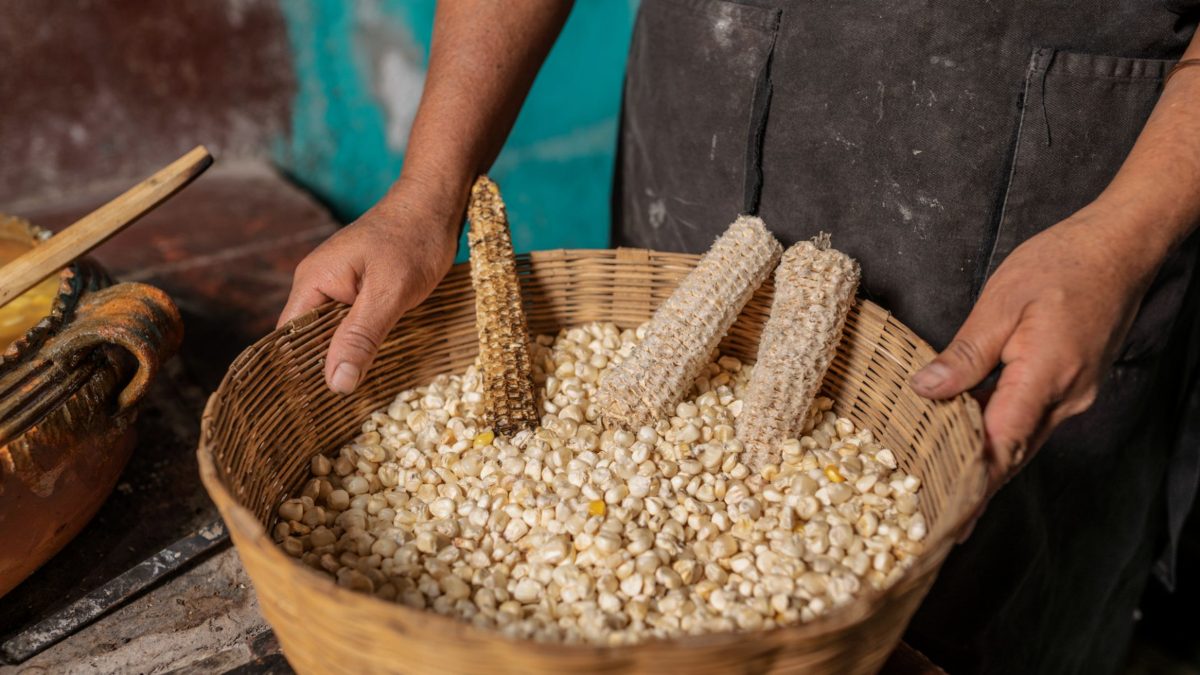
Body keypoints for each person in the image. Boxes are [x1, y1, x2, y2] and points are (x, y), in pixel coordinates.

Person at [278, 2, 1200, 672]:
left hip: (1051, 205)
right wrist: (429, 184)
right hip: (706, 116)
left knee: (980, 615)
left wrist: (1124, 234)